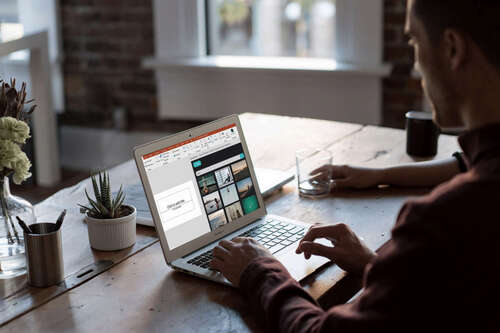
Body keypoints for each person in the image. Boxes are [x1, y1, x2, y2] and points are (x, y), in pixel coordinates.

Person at [210, 0, 500, 331]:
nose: (416, 68)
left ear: (452, 49)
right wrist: (377, 266)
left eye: (415, 42)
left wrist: (260, 269)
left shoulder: (443, 221)